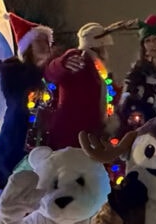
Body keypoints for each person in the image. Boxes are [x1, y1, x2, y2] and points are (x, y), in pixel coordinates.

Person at [0, 12, 55, 188]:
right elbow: (19, 101)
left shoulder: (50, 74)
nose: (45, 46)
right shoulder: (13, 72)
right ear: (28, 47)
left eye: (47, 42)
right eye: (39, 41)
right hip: (16, 138)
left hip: (43, 139)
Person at [41, 21, 120, 149]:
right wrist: (62, 63)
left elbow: (109, 93)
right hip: (70, 133)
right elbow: (51, 72)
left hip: (91, 133)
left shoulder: (100, 68)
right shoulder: (77, 57)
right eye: (104, 47)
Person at [117, 15, 156, 136]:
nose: (152, 44)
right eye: (147, 41)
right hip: (147, 125)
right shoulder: (138, 70)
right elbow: (128, 95)